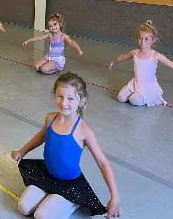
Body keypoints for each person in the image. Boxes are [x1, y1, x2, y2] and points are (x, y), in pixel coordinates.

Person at [11, 72, 120, 218]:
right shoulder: (50, 118)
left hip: (70, 184)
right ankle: (51, 196)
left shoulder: (83, 130)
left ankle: (74, 201)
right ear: (54, 95)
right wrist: (22, 151)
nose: (64, 103)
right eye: (60, 96)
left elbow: (102, 162)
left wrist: (115, 197)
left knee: (42, 216)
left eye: (70, 98)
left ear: (81, 100)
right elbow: (42, 135)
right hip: (47, 175)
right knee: (23, 207)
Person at [109, 21, 173, 106]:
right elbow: (123, 57)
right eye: (140, 38)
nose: (143, 41)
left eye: (146, 38)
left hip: (148, 86)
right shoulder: (134, 53)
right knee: (120, 98)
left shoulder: (156, 56)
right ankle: (135, 93)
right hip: (135, 83)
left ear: (153, 40)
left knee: (134, 100)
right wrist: (114, 62)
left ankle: (150, 96)